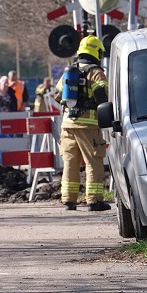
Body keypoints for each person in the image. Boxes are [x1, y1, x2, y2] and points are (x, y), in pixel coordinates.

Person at [54, 35, 111, 212]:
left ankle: (68, 200)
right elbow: (102, 97)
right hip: (88, 125)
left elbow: (58, 96)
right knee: (94, 162)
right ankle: (94, 200)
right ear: (97, 52)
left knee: (71, 163)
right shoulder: (95, 72)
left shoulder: (69, 72)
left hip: (67, 125)